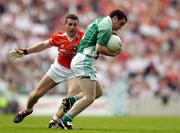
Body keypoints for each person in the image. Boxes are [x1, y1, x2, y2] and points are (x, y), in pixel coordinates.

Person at [9, 13, 84, 128]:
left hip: (74, 71)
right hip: (58, 68)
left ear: (78, 26)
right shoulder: (59, 36)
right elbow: (43, 45)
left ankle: (55, 120)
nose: (72, 27)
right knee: (35, 95)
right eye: (70, 24)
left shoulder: (84, 38)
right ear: (65, 25)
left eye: (75, 25)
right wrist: (25, 51)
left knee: (70, 98)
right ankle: (27, 110)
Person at [57, 9, 127, 130]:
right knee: (89, 98)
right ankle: (65, 120)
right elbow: (99, 48)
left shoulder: (100, 20)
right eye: (120, 24)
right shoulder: (106, 27)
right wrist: (113, 53)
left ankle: (71, 101)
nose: (120, 28)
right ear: (115, 18)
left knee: (98, 92)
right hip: (84, 60)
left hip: (83, 59)